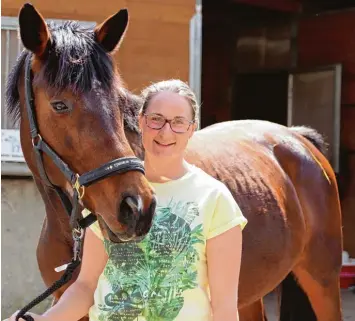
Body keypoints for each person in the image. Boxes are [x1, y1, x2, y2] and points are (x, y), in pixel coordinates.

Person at [6, 79, 247, 321]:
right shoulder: (112, 192)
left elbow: (224, 307)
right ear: (140, 121)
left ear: (191, 129)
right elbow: (85, 287)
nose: (165, 132)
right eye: (156, 119)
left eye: (178, 123)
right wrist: (44, 320)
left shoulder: (214, 198)